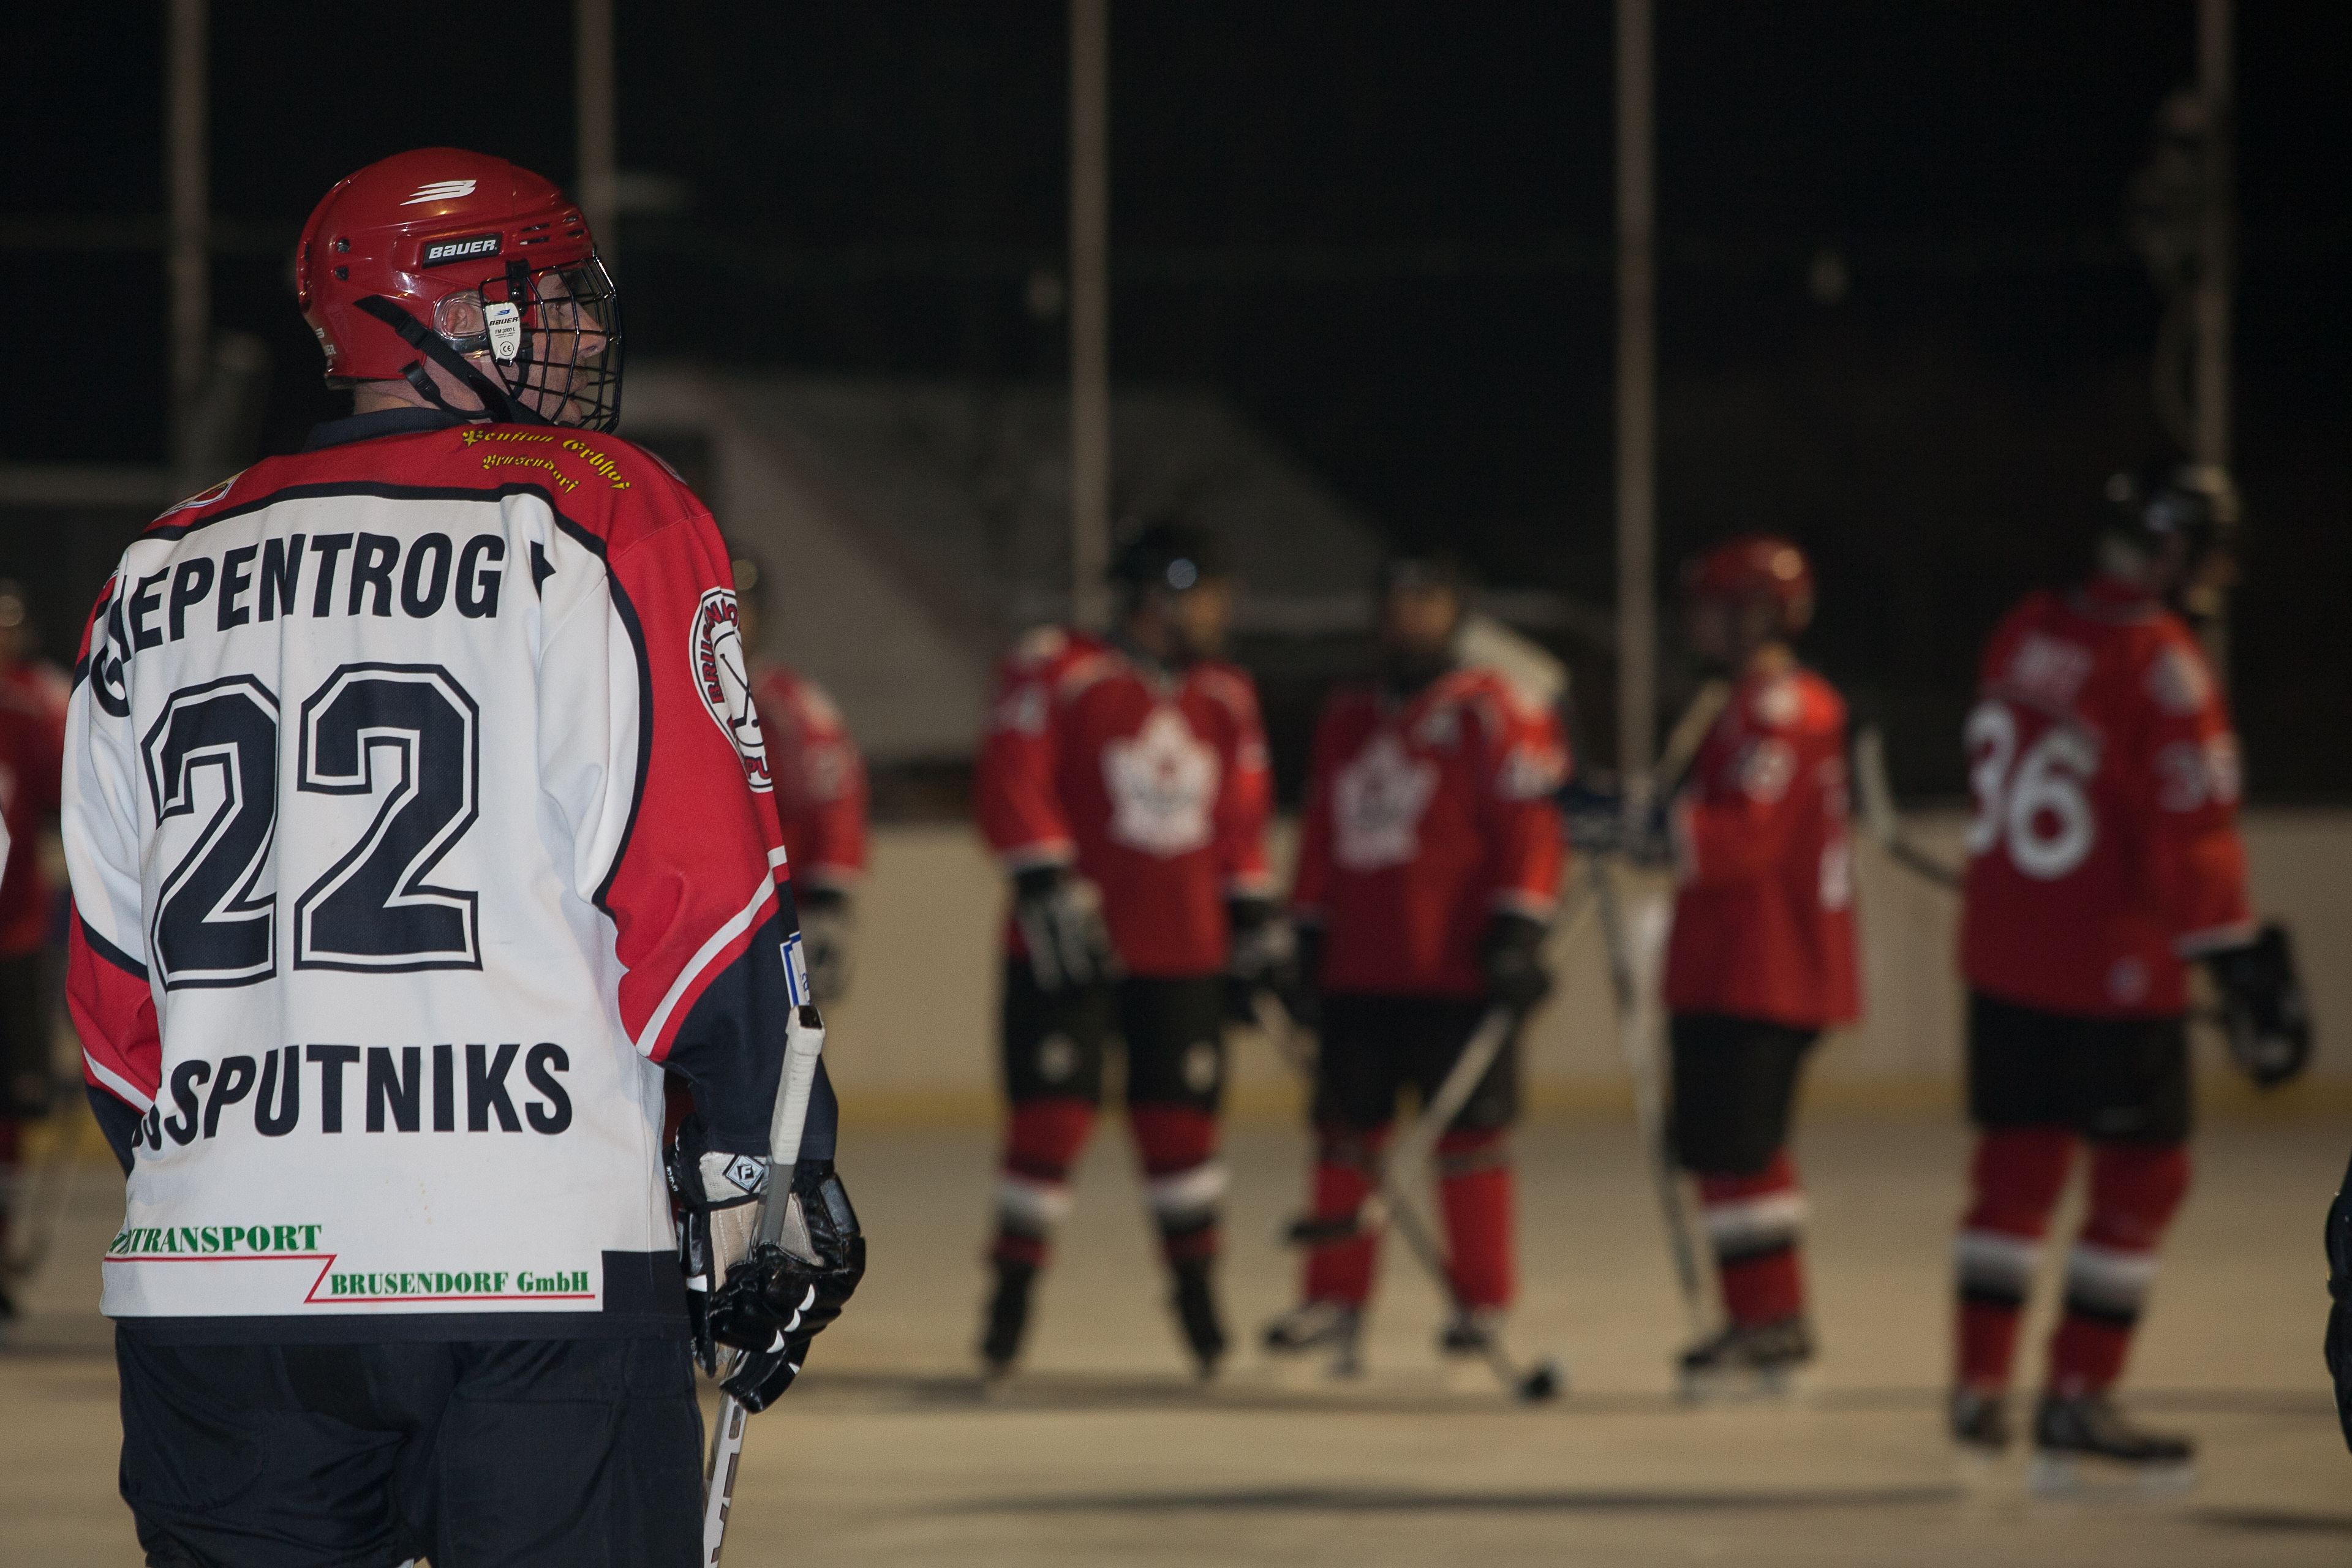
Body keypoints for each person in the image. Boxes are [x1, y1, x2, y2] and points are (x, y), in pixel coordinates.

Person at [62, 148, 862, 1567]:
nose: (585, 337)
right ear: (443, 310)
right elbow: (700, 895)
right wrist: (771, 1157)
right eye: (549, 300)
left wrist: (226, 1174)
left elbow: (120, 998)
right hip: (530, 1263)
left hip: (216, 1275)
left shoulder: (154, 567)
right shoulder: (601, 506)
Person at [1950, 461, 2309, 1483]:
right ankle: (2078, 1397)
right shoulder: (2163, 668)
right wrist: (2234, 962)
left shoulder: (2024, 628)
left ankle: (1980, 1384)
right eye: (2210, 553)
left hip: (2000, 958)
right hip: (2110, 972)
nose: (2219, 575)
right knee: (2145, 1176)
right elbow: (2190, 839)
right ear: (2168, 548)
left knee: (2015, 1172)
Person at [972, 520, 1279, 1379]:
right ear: (1159, 594)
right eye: (1206, 594)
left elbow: (1240, 820)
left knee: (1183, 1130)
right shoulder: (1058, 667)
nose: (1219, 611)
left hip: (1183, 949)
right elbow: (1012, 774)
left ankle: (1197, 1297)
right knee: (1050, 1121)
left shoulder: (1227, 693)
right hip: (1072, 947)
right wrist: (1045, 880)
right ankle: (1009, 1302)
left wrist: (1253, 920)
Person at [1261, 554, 1567, 1370]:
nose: (1409, 618)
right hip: (1359, 965)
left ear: (1458, 613)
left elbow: (1531, 824)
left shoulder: (1495, 707)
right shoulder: (1348, 713)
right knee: (1345, 1134)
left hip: (1458, 967)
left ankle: (1482, 1302)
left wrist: (1520, 927)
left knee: (1469, 1135)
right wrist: (1305, 934)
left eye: (1427, 602)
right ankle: (1334, 1298)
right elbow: (1323, 830)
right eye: (1397, 602)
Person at [1660, 537, 1860, 1396]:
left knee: (1748, 1146)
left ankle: (1774, 1318)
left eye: (1714, 609)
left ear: (1756, 615)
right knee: (1720, 1146)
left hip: (1767, 966)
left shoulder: (1788, 709)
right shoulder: (1738, 703)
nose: (1698, 625)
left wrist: (1649, 830)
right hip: (1727, 964)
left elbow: (1745, 841)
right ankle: (1754, 1317)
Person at [731, 549, 869, 1005]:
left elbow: (834, 801)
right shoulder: (667, 700)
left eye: (741, 606)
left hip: (774, 923)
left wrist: (829, 903)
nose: (730, 621)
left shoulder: (789, 707)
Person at [0, 581, 66, 1317]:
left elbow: (65, 788)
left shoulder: (33, 702)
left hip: (14, 936)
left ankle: (2, 1245)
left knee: (13, 1106)